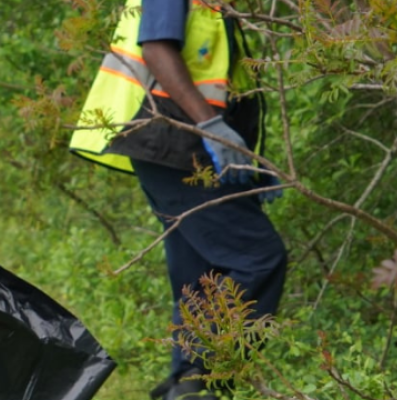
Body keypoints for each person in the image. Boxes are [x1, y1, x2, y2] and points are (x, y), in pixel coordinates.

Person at [67, 1, 286, 399]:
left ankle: (184, 386)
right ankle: (203, 379)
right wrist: (212, 125)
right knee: (259, 258)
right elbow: (157, 47)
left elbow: (218, 82)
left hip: (186, 148)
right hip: (174, 144)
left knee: (198, 277)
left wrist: (251, 162)